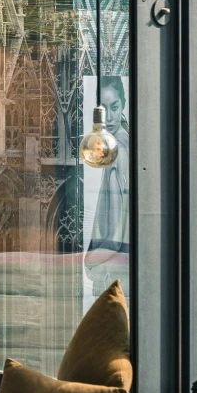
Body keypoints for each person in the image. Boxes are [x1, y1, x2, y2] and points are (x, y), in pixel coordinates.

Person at [84, 76, 130, 297]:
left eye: (115, 107)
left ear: (123, 105)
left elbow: (114, 239)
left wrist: (88, 262)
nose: (109, 117)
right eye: (104, 109)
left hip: (112, 277)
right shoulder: (127, 141)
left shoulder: (115, 153)